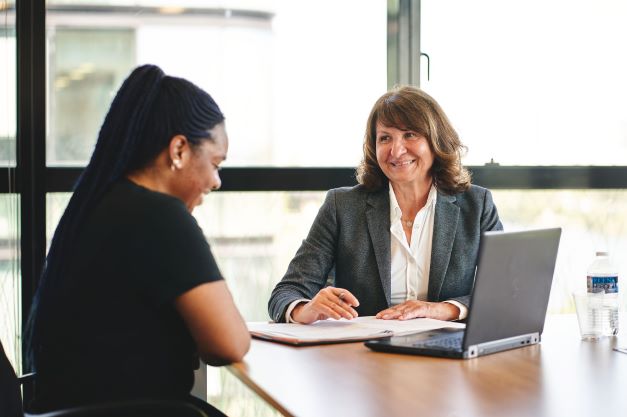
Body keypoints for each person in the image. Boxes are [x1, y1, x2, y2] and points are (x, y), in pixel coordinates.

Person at [25, 65, 250, 416]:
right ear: (179, 150)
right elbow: (229, 344)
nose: (216, 181)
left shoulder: (97, 203)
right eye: (215, 163)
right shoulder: (160, 216)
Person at [269, 85, 503, 324]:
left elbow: (504, 291)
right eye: (385, 138)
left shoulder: (477, 205)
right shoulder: (342, 206)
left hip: (447, 351)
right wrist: (305, 308)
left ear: (436, 140)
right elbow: (285, 293)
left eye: (410, 134)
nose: (396, 150)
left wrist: (442, 310)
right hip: (364, 354)